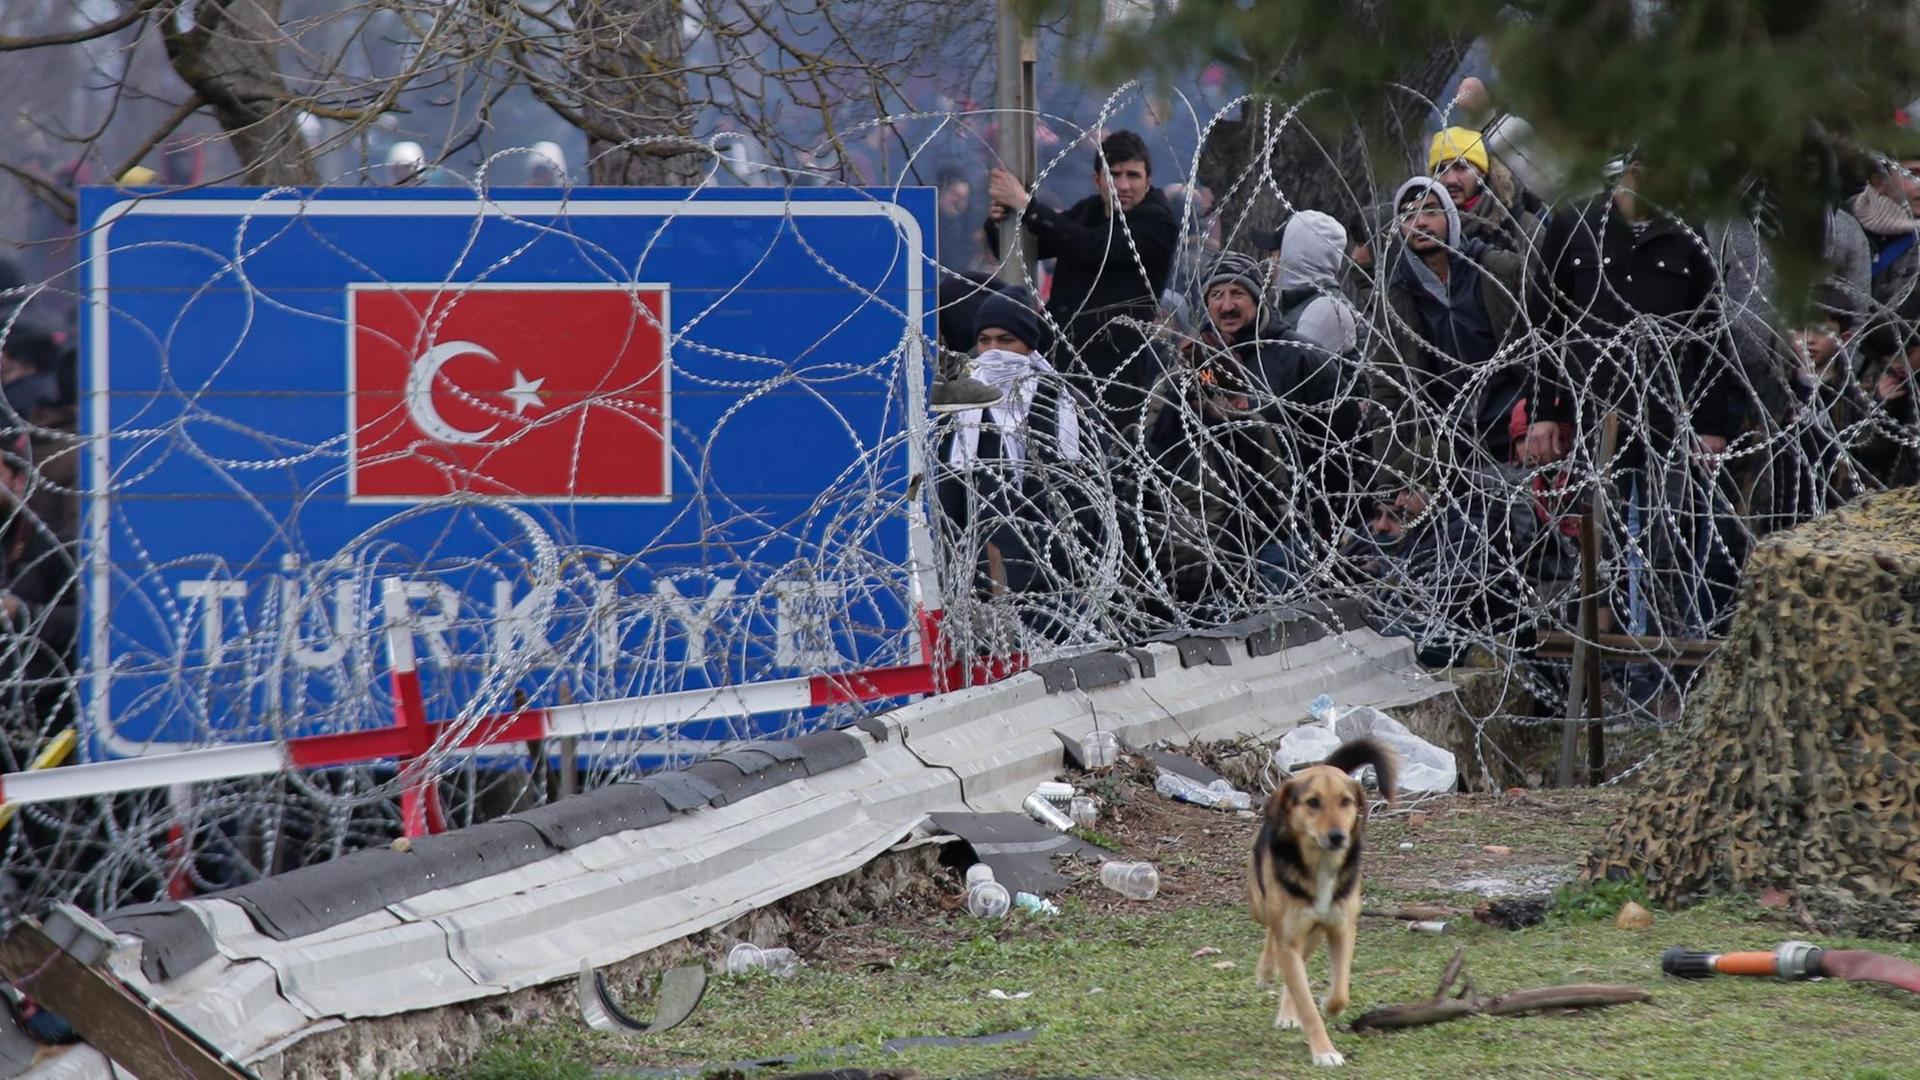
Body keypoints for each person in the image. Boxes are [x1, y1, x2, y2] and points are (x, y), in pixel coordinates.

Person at [1534, 154, 1744, 645]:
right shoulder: (1576, 223)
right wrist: (1545, 412)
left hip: (1666, 417)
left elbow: (1708, 336)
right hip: (1595, 411)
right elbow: (1546, 325)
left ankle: (1658, 665)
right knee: (1594, 544)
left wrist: (1711, 424)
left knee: (1664, 544)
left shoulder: (1686, 233)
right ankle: (1600, 669)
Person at [1370, 177, 1533, 660]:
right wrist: (1406, 471)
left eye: (1430, 211)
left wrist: (1544, 416)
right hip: (1448, 446)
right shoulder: (1396, 292)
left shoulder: (1494, 271)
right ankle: (1460, 640)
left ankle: (1521, 651)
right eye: (1408, 215)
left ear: (1453, 219)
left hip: (1515, 432)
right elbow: (1390, 388)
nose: (1419, 222)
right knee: (1456, 542)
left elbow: (1543, 347)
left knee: (1510, 536)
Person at [1140, 252, 1336, 602]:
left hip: (1280, 530)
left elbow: (1333, 444)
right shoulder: (1189, 364)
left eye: (1238, 294)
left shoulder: (1300, 357)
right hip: (1202, 538)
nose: (1227, 306)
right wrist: (1191, 393)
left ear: (1258, 299)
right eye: (1217, 296)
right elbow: (1155, 445)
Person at [985, 130, 1179, 422]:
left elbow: (1093, 247)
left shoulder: (1156, 222)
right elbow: (1036, 245)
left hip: (1113, 370)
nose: (1123, 185)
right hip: (1062, 359)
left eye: (1133, 176)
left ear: (1148, 180)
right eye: (1114, 175)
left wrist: (1026, 205)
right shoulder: (1088, 212)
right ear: (1097, 180)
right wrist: (1001, 219)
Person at [935, 291, 1096, 632]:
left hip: (1059, 578)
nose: (995, 351)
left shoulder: (1062, 404)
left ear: (1028, 345)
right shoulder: (961, 409)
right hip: (983, 584)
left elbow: (1089, 493)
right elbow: (948, 496)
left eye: (1006, 340)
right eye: (985, 340)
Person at [1427, 127, 1544, 252]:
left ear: (1482, 172)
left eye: (1461, 167)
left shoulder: (1520, 224)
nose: (1450, 180)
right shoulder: (1427, 231)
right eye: (1441, 170)